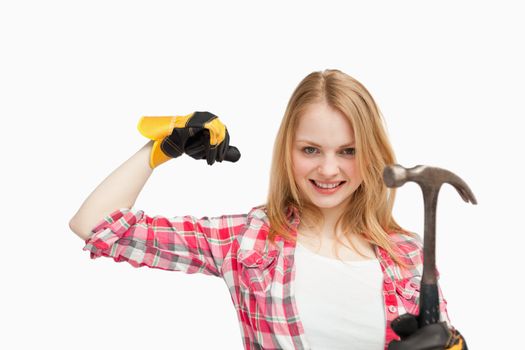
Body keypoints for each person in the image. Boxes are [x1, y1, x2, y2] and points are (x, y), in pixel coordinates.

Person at [69, 69, 466, 350]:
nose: (329, 169)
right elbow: (95, 225)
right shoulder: (246, 241)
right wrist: (157, 152)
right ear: (287, 152)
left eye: (348, 151)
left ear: (373, 154)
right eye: (310, 149)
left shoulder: (407, 254)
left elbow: (441, 339)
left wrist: (455, 347)